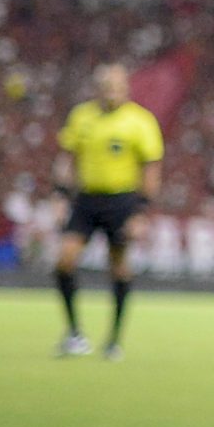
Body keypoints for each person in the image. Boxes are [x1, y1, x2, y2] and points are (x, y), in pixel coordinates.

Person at [52, 63, 164, 360]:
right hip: (87, 199)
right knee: (64, 260)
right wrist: (61, 195)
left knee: (119, 265)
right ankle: (75, 333)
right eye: (106, 87)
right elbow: (68, 158)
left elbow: (151, 168)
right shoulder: (81, 116)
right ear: (97, 89)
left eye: (117, 87)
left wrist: (141, 211)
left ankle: (114, 340)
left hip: (122, 201)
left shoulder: (140, 121)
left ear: (126, 88)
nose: (112, 93)